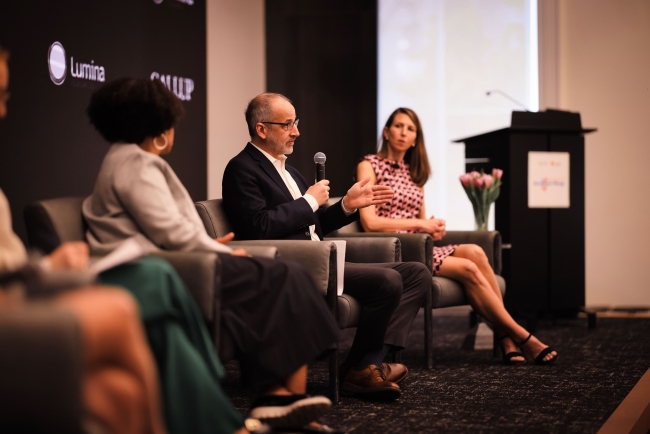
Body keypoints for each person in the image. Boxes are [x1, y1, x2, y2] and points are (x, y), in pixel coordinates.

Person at [82, 77, 341, 432]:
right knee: (284, 275)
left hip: (179, 262)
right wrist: (216, 250)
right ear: (157, 123)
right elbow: (170, 232)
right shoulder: (136, 163)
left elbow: (167, 229)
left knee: (285, 276)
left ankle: (282, 398)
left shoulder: (131, 158)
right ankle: (276, 398)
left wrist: (212, 248)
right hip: (164, 270)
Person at [0, 44, 166, 434]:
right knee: (119, 307)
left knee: (117, 393)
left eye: (5, 96)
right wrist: (46, 268)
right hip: (14, 306)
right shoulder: (132, 163)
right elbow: (173, 229)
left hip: (22, 295)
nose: (4, 111)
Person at [222, 93, 432, 400]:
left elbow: (314, 224)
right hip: (295, 266)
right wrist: (309, 201)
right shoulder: (242, 168)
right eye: (287, 124)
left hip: (323, 258)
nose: (296, 131)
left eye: (296, 122)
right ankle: (365, 369)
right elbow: (258, 226)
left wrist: (346, 205)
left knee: (417, 273)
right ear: (261, 129)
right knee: (389, 280)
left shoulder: (290, 171)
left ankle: (364, 365)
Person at [356, 107, 558, 365]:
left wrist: (431, 226)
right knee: (468, 269)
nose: (403, 133)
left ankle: (505, 338)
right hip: (393, 250)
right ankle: (520, 335)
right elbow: (369, 222)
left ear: (416, 138)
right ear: (386, 131)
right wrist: (420, 224)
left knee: (475, 252)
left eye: (410, 128)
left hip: (417, 244)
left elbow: (419, 221)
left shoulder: (414, 173)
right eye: (398, 126)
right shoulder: (369, 165)